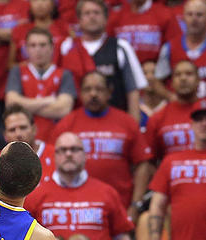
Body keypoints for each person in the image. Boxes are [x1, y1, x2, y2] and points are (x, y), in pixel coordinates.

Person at [25, 132, 136, 240]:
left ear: (85, 155)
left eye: (74, 149)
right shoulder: (35, 196)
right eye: (63, 150)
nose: (69, 154)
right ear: (54, 156)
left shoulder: (107, 193)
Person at [52, 70, 152, 215]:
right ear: (80, 93)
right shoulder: (66, 124)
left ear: (109, 92)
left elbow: (143, 164)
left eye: (99, 89)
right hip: (76, 208)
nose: (93, 94)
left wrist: (136, 205)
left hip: (121, 207)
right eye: (87, 89)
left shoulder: (127, 122)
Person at [148, 99, 206, 240]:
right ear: (191, 125)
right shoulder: (172, 161)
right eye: (199, 119)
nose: (204, 124)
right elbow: (157, 206)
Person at [5, 28, 76, 143]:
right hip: (22, 141)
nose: (38, 50)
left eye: (42, 45)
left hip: (55, 139)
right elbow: (11, 104)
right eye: (33, 45)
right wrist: (48, 101)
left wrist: (24, 105)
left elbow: (63, 109)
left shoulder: (65, 74)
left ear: (52, 48)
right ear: (26, 49)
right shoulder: (17, 71)